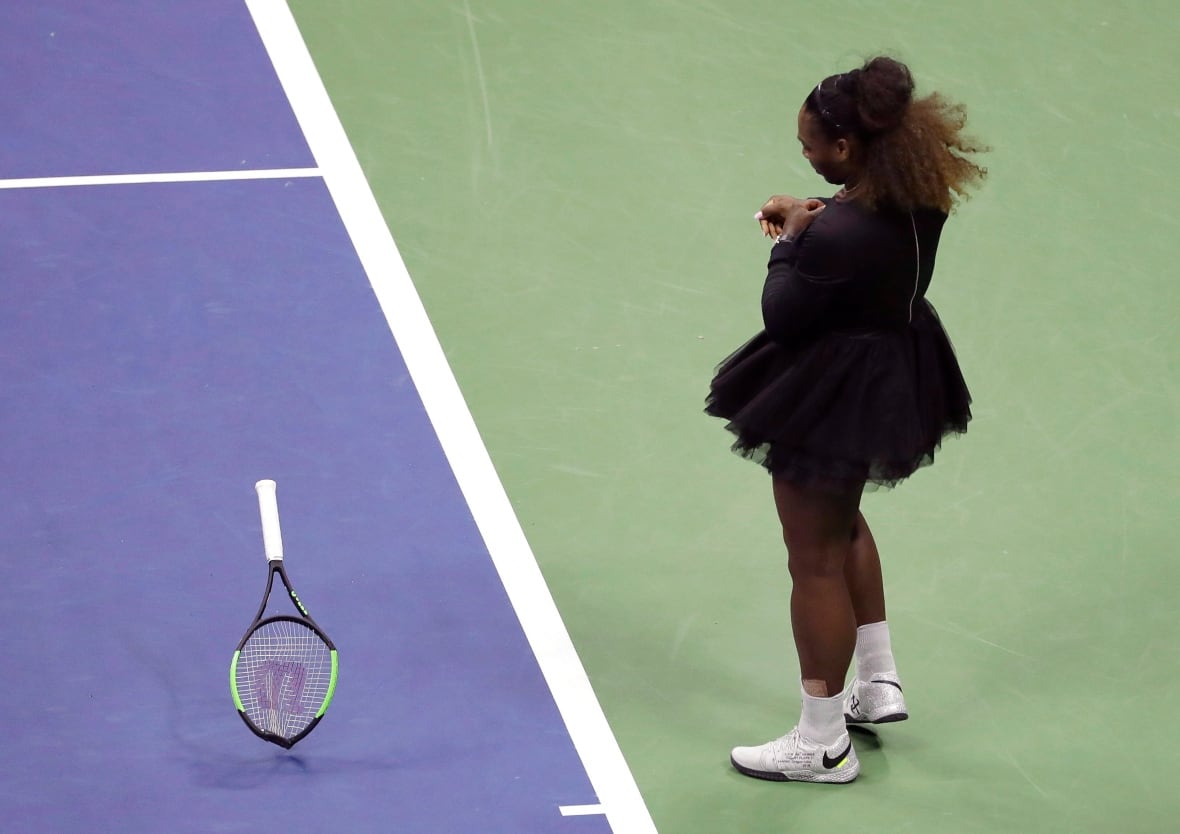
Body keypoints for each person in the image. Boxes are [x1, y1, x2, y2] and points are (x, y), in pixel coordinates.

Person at [705, 55, 987, 783]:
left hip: (832, 388)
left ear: (846, 147)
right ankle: (878, 679)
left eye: (811, 147)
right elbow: (863, 238)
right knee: (844, 521)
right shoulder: (921, 196)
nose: (804, 154)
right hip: (896, 365)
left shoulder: (836, 237)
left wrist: (792, 240)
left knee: (814, 560)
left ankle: (822, 742)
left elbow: (785, 316)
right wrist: (814, 217)